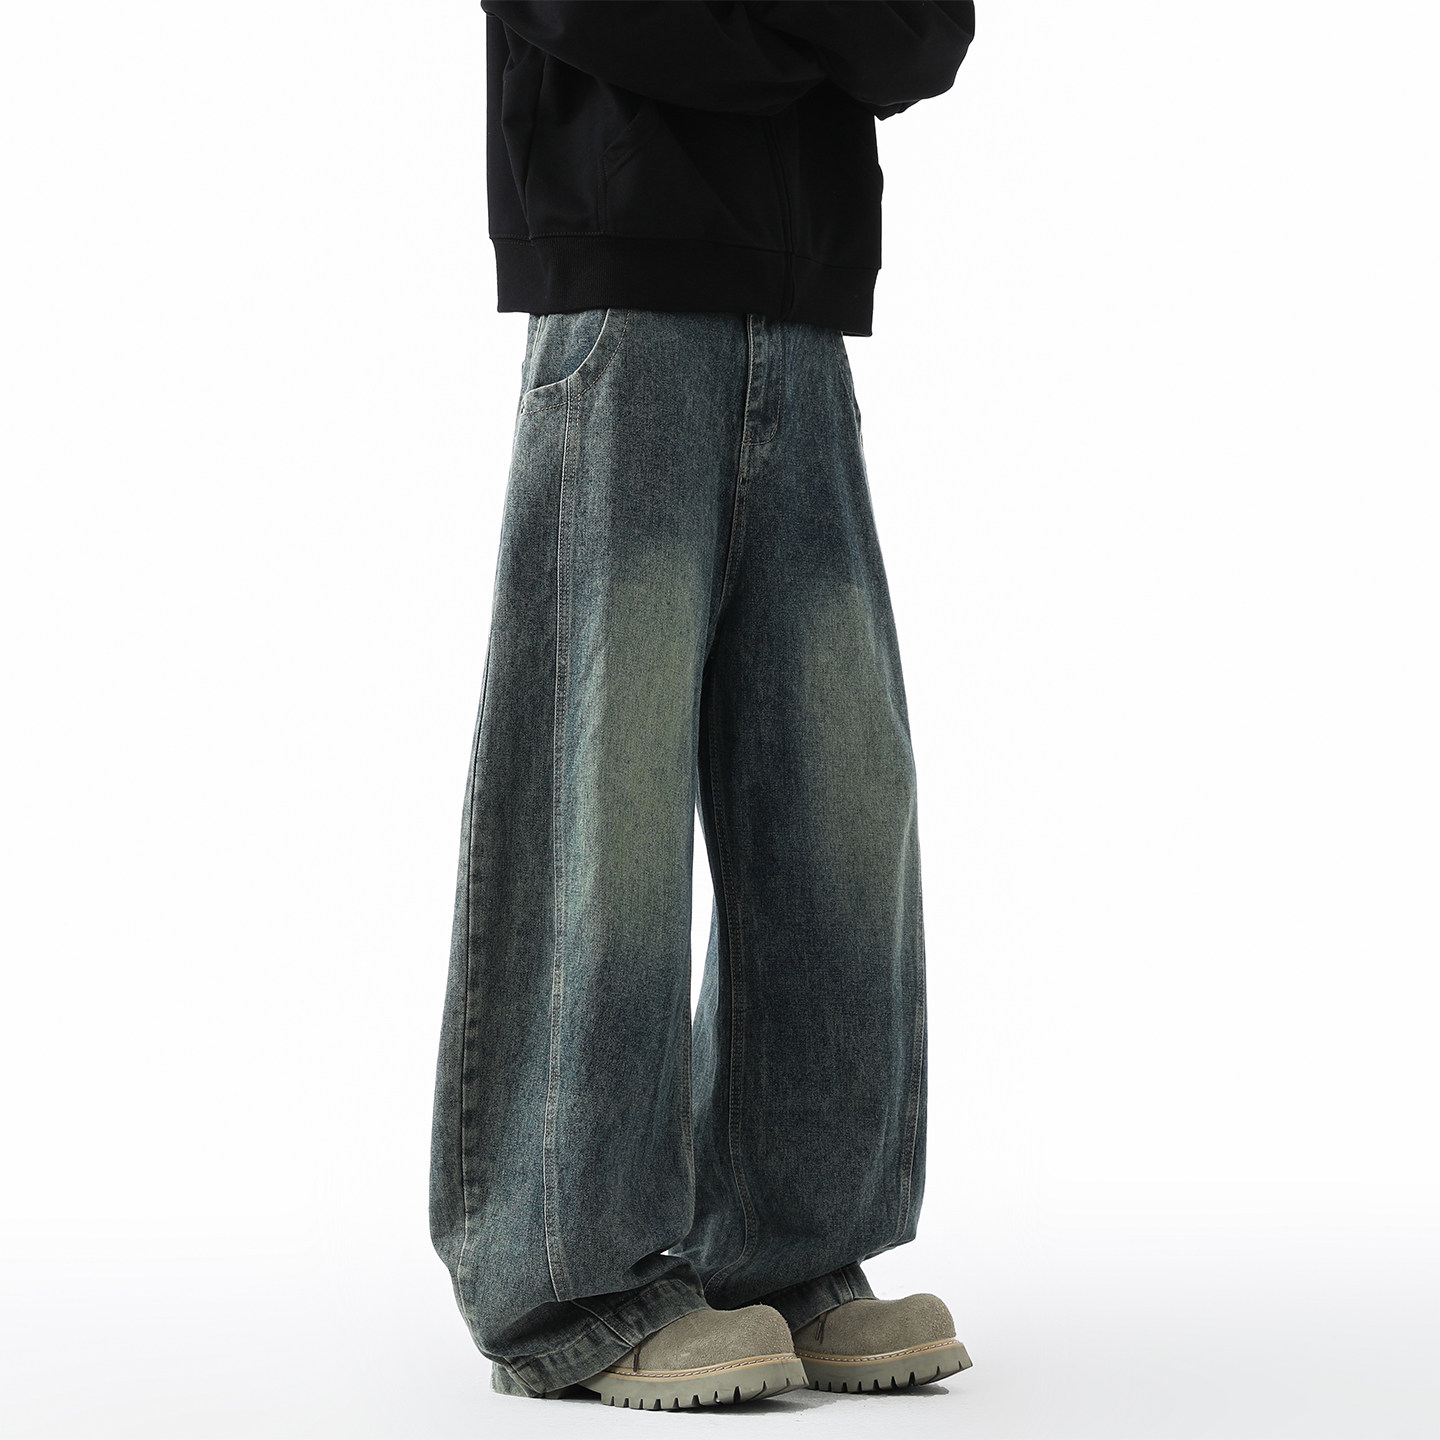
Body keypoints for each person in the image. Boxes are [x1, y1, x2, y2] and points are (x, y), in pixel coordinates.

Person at [429, 0, 978, 1410]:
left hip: (803, 314)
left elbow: (922, 33)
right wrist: (814, 40)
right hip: (621, 299)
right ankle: (569, 1288)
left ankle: (789, 1254)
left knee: (840, 799)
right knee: (600, 800)